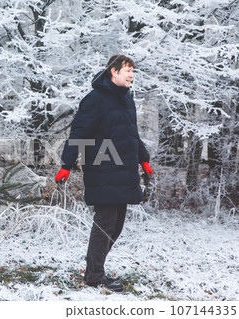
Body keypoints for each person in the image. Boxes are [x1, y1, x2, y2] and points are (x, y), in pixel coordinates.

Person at [55, 55, 153, 292]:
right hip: (102, 167)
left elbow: (131, 135)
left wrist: (144, 160)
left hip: (124, 170)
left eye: (133, 71)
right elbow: (79, 133)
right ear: (113, 71)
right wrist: (66, 165)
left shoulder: (126, 99)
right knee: (105, 223)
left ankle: (94, 268)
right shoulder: (94, 100)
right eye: (127, 70)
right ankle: (94, 276)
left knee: (116, 225)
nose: (131, 75)